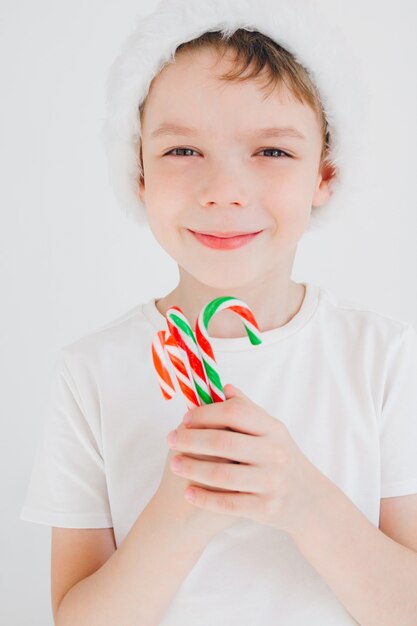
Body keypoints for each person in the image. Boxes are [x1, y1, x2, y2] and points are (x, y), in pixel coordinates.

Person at [20, 1, 417, 624]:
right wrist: (180, 512)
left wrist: (304, 501)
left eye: (272, 152)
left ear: (326, 173)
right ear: (139, 174)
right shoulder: (92, 373)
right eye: (182, 150)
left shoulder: (387, 359)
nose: (225, 188)